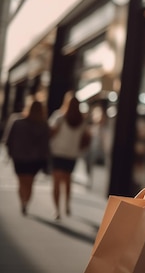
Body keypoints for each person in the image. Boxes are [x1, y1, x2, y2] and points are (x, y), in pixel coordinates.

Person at [1, 99, 50, 215]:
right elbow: (46, 144)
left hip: (19, 157)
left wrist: (9, 153)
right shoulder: (43, 124)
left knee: (21, 181)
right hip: (36, 159)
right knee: (29, 182)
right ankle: (26, 202)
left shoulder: (17, 121)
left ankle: (22, 201)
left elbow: (8, 139)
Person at [49, 91, 90, 220]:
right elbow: (86, 138)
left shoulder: (59, 117)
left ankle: (57, 210)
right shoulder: (82, 121)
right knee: (67, 181)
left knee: (56, 182)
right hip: (72, 154)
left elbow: (50, 132)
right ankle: (66, 204)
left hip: (58, 152)